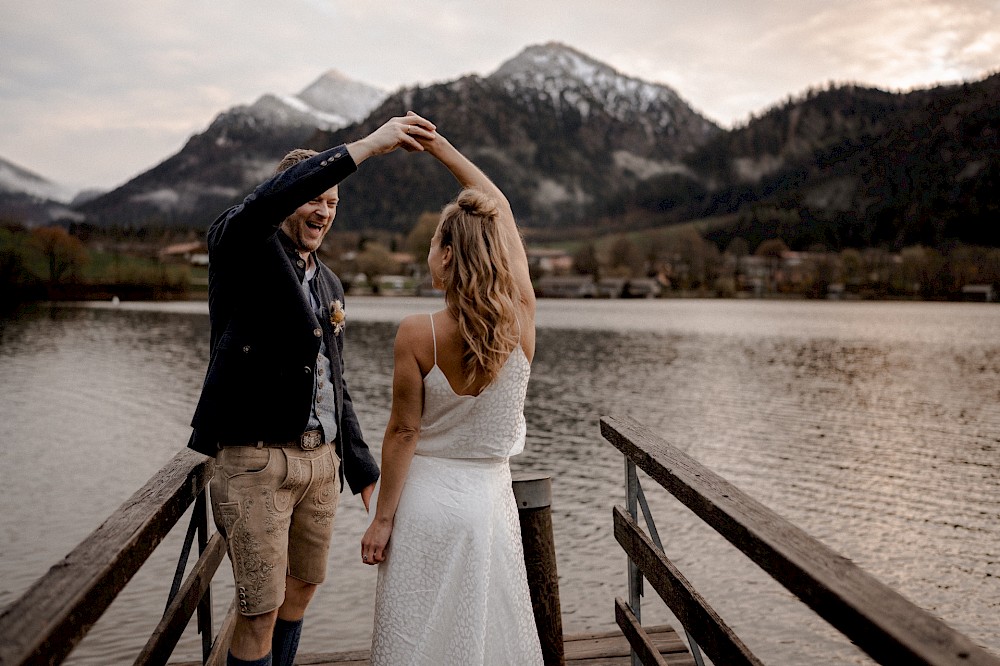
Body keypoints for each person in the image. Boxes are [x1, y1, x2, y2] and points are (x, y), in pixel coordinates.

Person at [186, 112, 436, 666]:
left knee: (301, 592)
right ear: (285, 199)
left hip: (320, 464)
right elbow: (260, 208)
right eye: (314, 198)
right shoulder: (242, 245)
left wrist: (363, 470)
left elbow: (334, 382)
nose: (324, 210)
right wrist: (369, 145)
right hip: (255, 460)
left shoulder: (328, 282)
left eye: (333, 204)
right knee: (259, 611)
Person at [360, 128, 543, 665]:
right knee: (483, 638)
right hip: (488, 506)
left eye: (434, 245)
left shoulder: (418, 333)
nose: (429, 254)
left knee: (417, 640)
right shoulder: (524, 321)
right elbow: (501, 207)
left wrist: (382, 519)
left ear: (446, 257)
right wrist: (440, 148)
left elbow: (403, 432)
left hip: (423, 506)